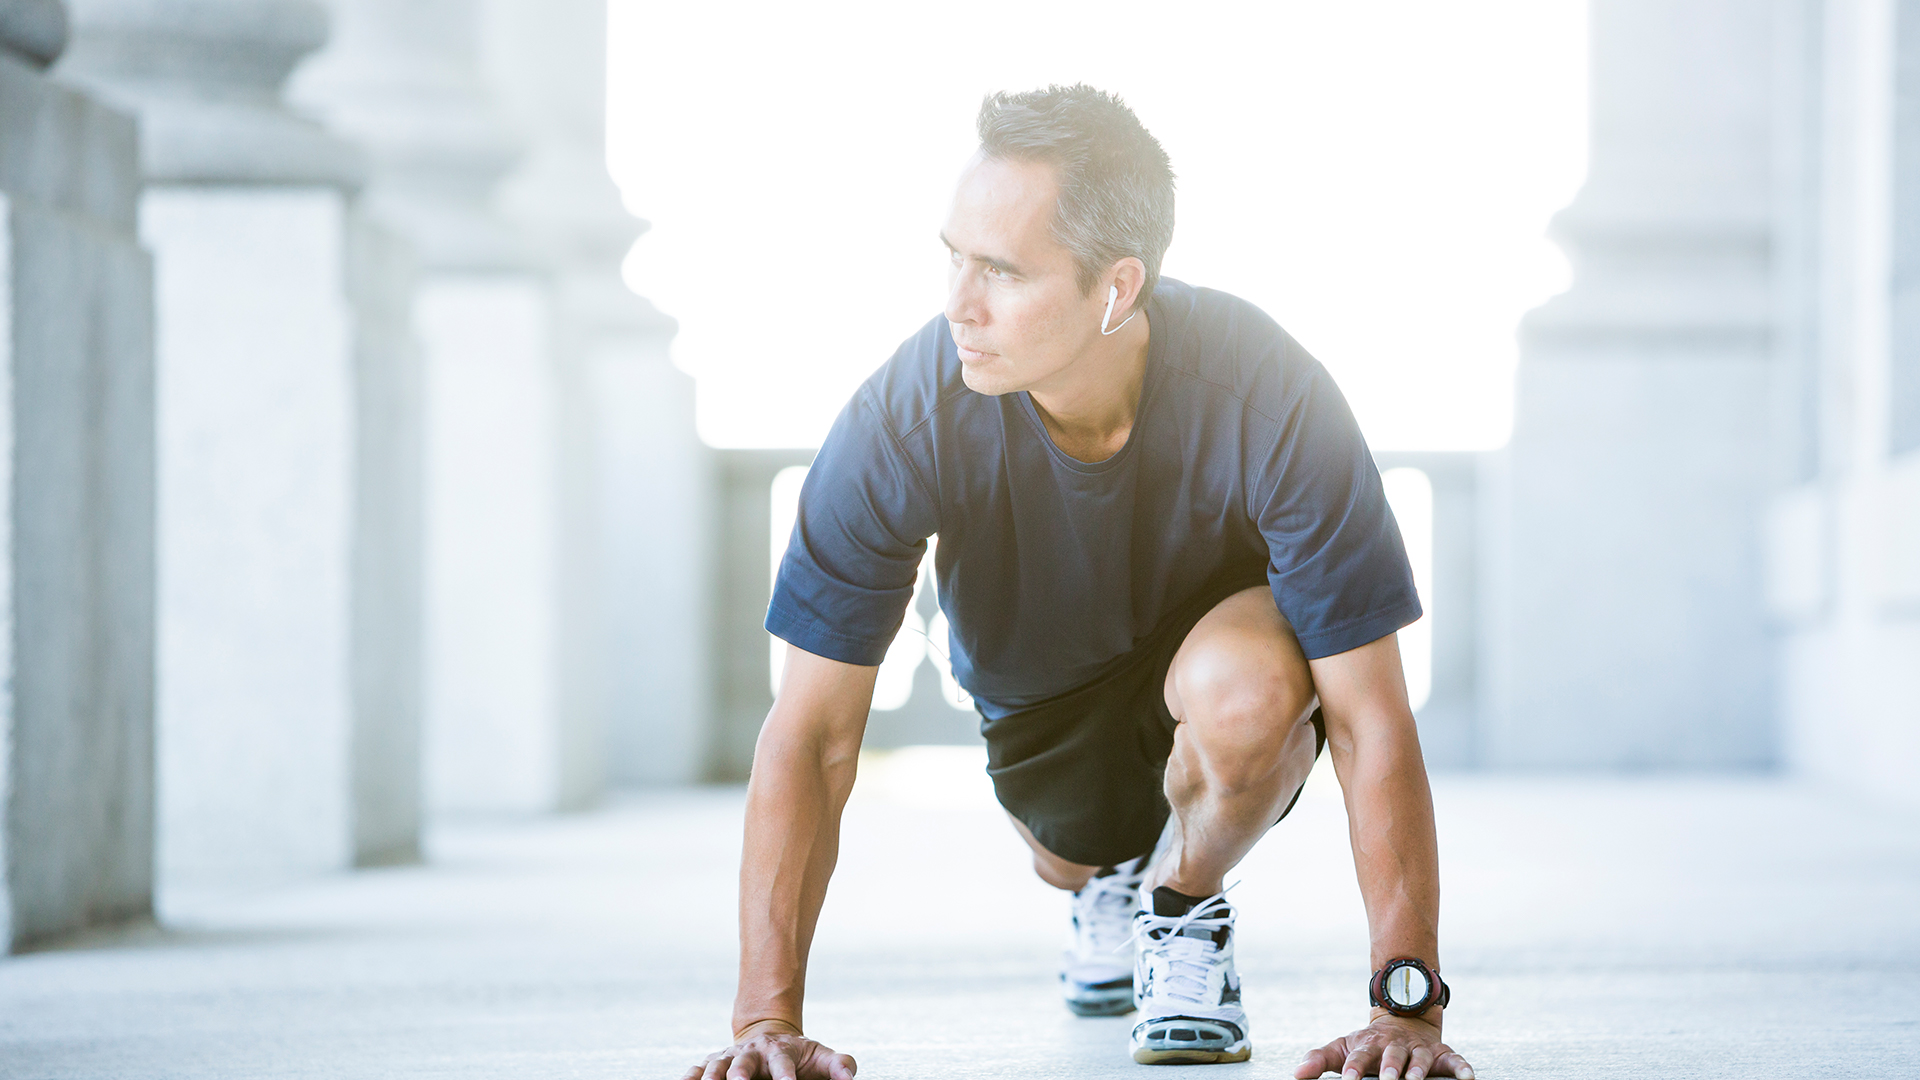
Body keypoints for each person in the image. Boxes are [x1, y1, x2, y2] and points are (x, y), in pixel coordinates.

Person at [683, 84, 1474, 1080]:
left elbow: (1368, 719)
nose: (958, 304)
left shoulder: (1268, 390)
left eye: (1003, 271)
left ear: (1117, 287)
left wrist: (1408, 1005)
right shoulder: (903, 418)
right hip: (1042, 722)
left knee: (1256, 694)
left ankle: (1179, 907)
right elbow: (813, 736)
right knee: (1072, 849)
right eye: (955, 258)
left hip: (1219, 678)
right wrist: (765, 1021)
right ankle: (1103, 884)